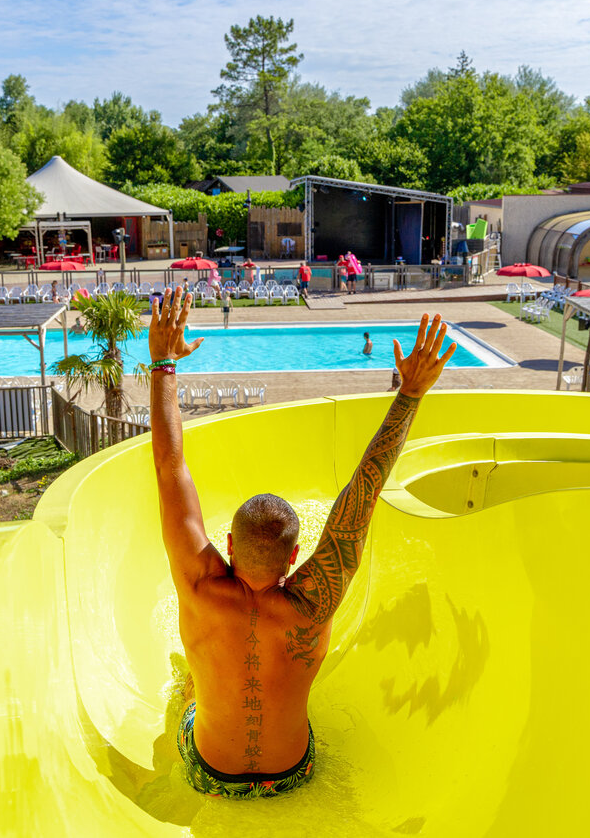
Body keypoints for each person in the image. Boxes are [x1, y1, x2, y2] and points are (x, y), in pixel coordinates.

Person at [148, 289, 455, 798]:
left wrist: (162, 363)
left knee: (188, 689)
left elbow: (168, 466)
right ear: (295, 557)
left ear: (227, 543)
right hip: (293, 772)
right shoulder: (316, 595)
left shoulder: (198, 582)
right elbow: (366, 488)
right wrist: (410, 394)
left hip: (210, 773)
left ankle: (192, 692)